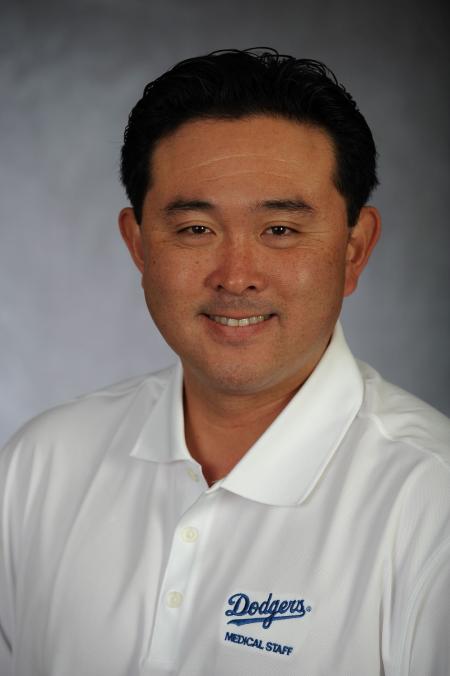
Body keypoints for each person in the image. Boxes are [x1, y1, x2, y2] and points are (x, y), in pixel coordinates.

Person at [0, 49, 448, 676]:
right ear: (138, 245)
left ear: (354, 250)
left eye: (281, 231)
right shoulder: (40, 465)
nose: (237, 276)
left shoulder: (431, 501)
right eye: (194, 230)